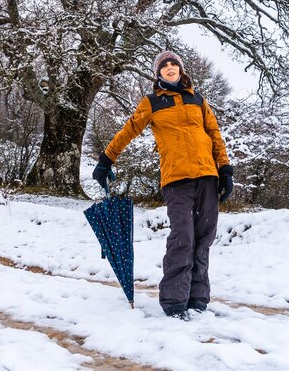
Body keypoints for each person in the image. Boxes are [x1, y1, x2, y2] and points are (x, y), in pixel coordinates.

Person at [92, 50, 233, 320]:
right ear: (158, 73)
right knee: (183, 237)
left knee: (204, 238)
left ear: (181, 69)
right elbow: (129, 129)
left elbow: (214, 134)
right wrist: (106, 159)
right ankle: (174, 301)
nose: (169, 68)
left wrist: (225, 169)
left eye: (174, 64)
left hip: (207, 176)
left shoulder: (198, 100)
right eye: (164, 66)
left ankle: (197, 299)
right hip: (177, 179)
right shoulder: (152, 102)